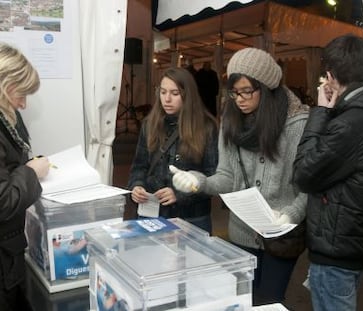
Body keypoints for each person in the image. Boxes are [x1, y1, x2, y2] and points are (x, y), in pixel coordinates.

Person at [170, 47, 309, 305]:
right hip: (242, 232)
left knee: (269, 301)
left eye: (247, 91)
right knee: (242, 300)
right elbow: (226, 177)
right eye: (234, 92)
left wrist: (291, 214)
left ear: (266, 88)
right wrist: (198, 182)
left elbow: (308, 187)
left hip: (281, 234)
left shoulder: (296, 124)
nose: (239, 99)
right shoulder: (231, 121)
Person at [292, 35, 363, 311]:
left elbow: (303, 173)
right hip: (360, 237)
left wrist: (320, 112)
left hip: (338, 246)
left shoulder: (348, 124)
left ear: (331, 77)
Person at [127, 67, 218, 234]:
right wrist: (137, 186)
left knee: (194, 261)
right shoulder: (150, 124)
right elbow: (139, 166)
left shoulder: (206, 127)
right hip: (153, 215)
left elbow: (214, 177)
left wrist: (179, 194)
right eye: (163, 92)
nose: (167, 99)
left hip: (192, 219)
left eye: (175, 93)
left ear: (187, 95)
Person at [0, 43, 51, 310]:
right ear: (6, 85)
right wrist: (31, 172)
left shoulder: (8, 117)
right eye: (21, 94)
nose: (23, 103)